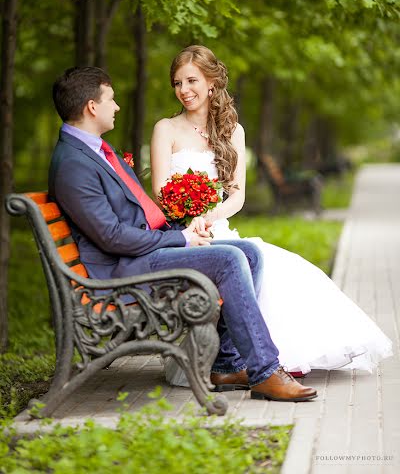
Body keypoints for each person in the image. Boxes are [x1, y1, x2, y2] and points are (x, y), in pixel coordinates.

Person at [48, 65, 318, 402]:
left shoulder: (92, 151)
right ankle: (265, 371)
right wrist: (182, 238)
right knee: (230, 257)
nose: (116, 107)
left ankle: (227, 363)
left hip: (136, 253)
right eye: (111, 100)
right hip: (117, 270)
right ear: (92, 106)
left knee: (249, 252)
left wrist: (187, 228)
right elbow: (112, 238)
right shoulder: (75, 163)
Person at [151, 45, 392, 386]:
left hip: (216, 225)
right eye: (177, 83)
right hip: (183, 232)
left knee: (284, 267)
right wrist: (188, 217)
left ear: (211, 83)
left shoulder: (233, 132)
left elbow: (237, 195)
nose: (184, 90)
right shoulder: (166, 129)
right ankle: (233, 363)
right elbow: (161, 191)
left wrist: (209, 215)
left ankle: (259, 359)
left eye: (191, 80)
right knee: (248, 262)